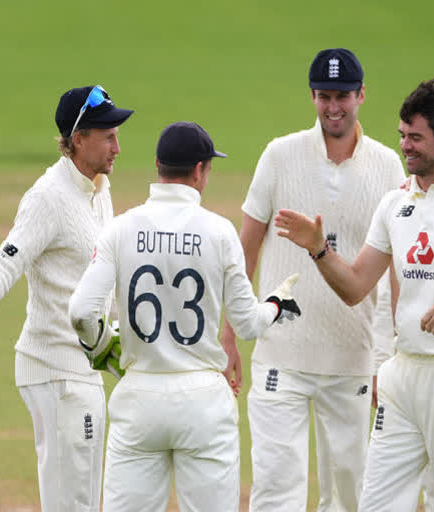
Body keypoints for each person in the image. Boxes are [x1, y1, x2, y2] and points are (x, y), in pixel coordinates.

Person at [276, 77, 434, 511]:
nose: (405, 146)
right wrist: (319, 250)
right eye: (402, 136)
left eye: (415, 138)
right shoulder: (395, 204)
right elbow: (357, 285)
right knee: (375, 504)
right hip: (404, 375)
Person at [68, 121, 302, 512]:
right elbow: (247, 324)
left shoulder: (121, 228)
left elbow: (80, 312)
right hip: (204, 403)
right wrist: (278, 302)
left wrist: (99, 347)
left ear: (158, 165)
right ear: (199, 170)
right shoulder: (220, 232)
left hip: (138, 398)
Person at [218, 47, 406, 511]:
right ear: (312, 96)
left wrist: (393, 354)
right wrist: (228, 335)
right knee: (276, 492)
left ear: (361, 95)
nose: (333, 106)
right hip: (282, 354)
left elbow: (399, 269)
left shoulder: (387, 167)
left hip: (353, 359)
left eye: (342, 95)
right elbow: (247, 248)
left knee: (349, 494)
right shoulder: (279, 155)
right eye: (324, 95)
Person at [0, 85, 133, 511]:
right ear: (78, 138)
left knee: (79, 497)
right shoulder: (48, 197)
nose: (118, 146)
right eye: (108, 135)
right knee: (73, 501)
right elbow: (7, 258)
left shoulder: (98, 190)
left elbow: (107, 276)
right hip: (55, 369)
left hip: (81, 368)